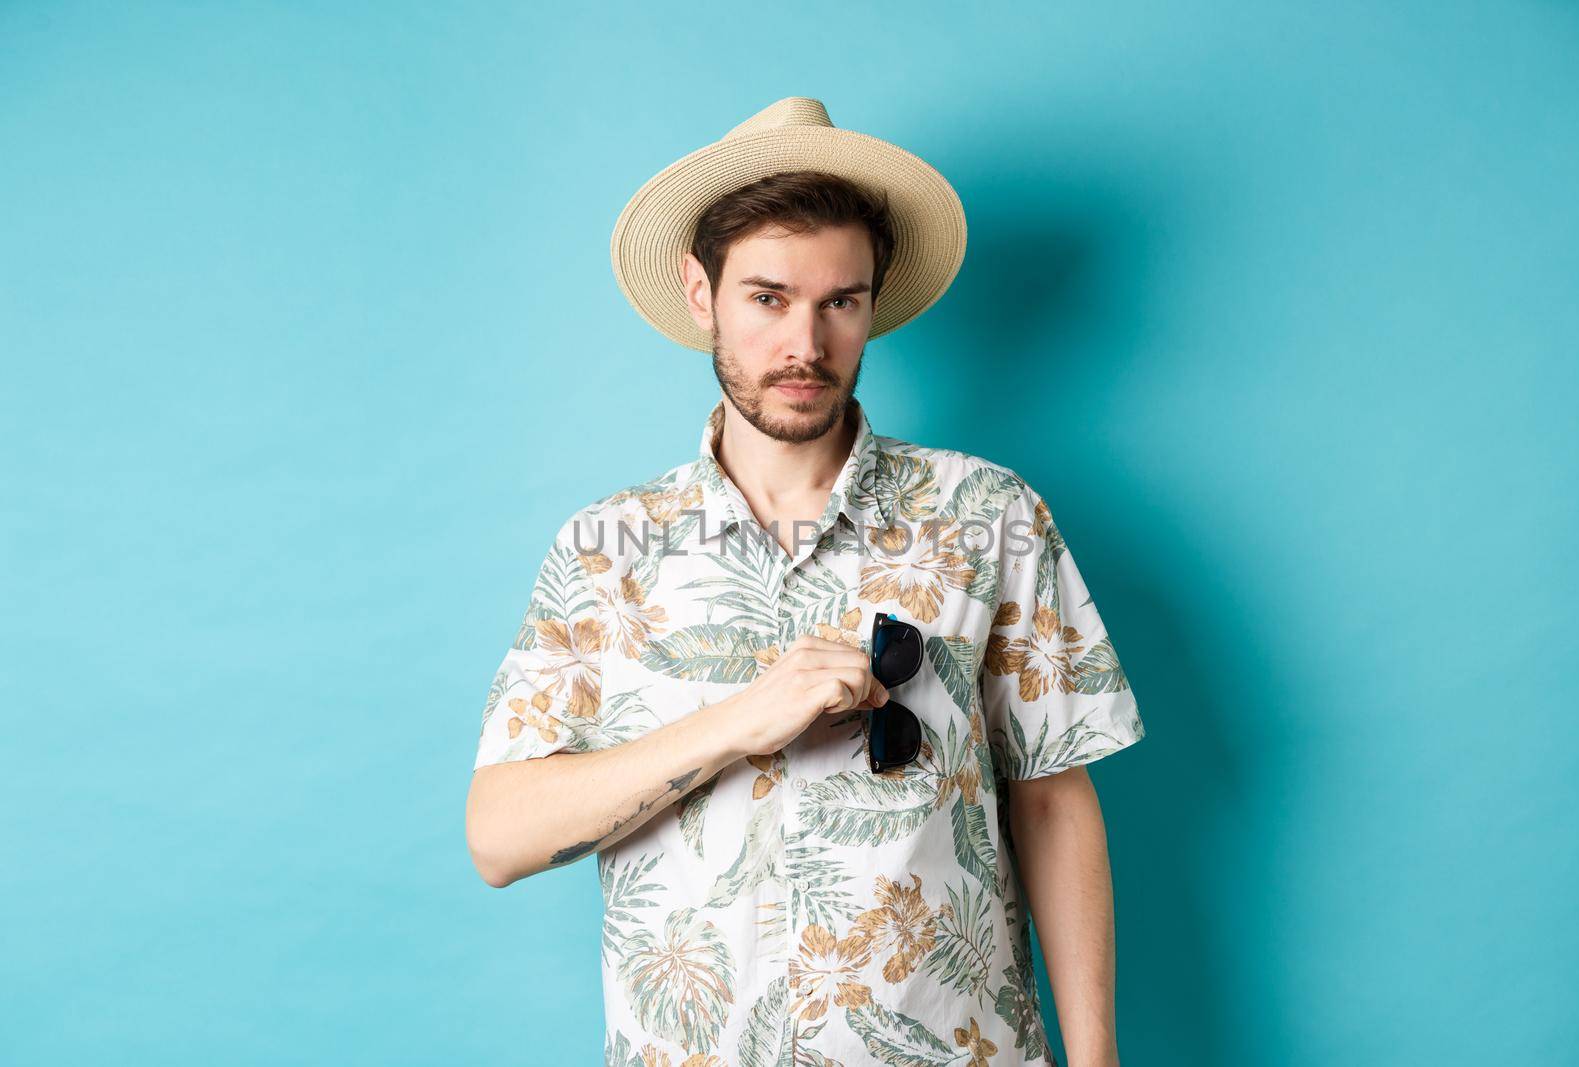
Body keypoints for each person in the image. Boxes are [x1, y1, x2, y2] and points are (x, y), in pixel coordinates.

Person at [464, 97, 1145, 1066]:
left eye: (841, 301)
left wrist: (1097, 1059)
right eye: (769, 297)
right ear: (702, 293)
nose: (806, 345)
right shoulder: (604, 548)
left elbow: (1051, 796)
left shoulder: (989, 514)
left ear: (873, 301)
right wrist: (739, 718)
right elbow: (499, 837)